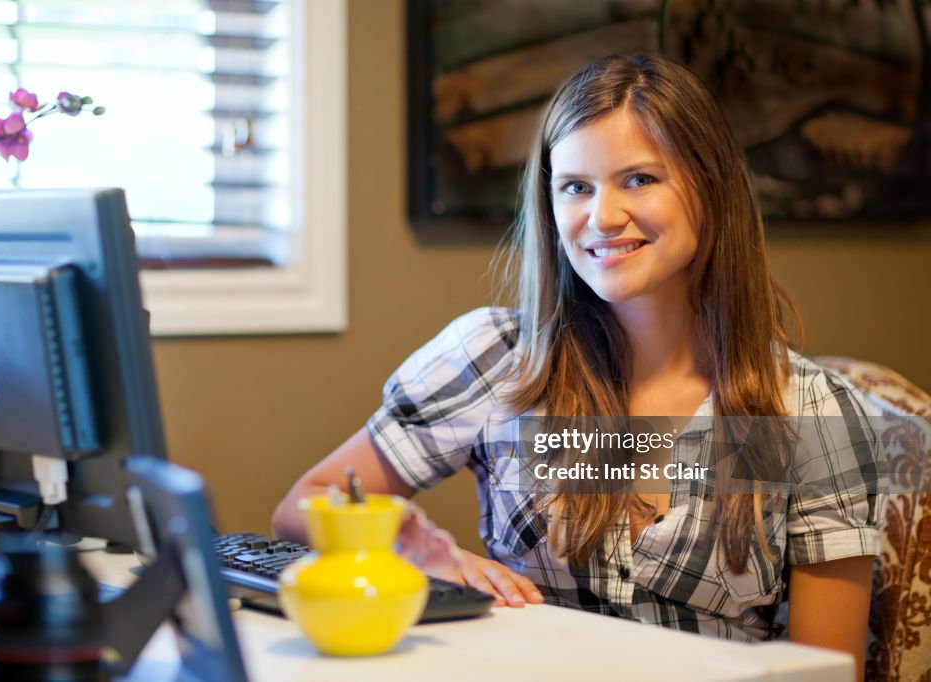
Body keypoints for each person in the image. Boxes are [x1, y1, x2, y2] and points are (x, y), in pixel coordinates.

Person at [272, 54, 881, 679]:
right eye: (576, 187)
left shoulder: (809, 412)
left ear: (711, 187)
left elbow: (827, 671)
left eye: (640, 179)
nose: (602, 218)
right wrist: (405, 547)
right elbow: (304, 505)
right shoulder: (499, 359)